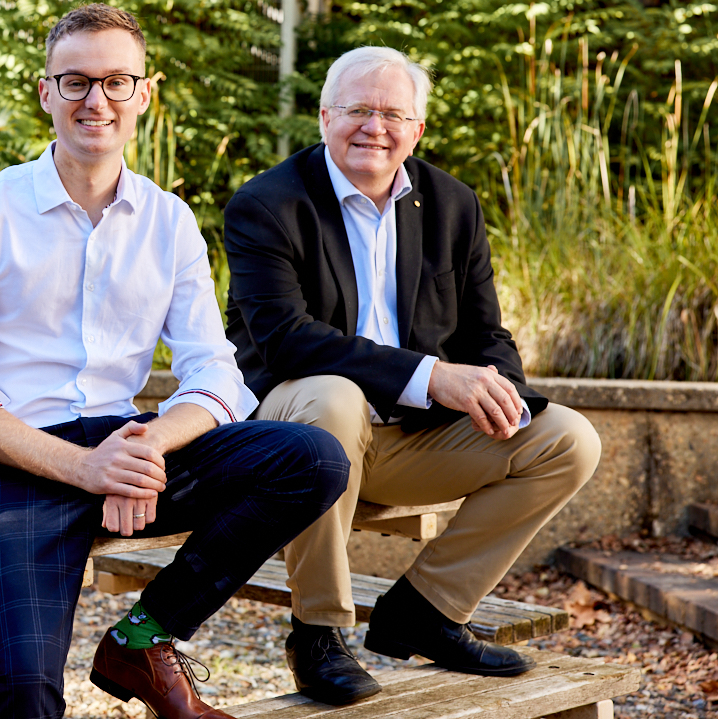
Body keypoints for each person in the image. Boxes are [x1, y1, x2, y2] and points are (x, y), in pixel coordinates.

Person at [0, 3, 351, 719]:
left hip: (126, 443)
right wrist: (87, 469)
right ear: (46, 92)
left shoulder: (169, 220)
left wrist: (144, 447)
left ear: (143, 94)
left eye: (117, 81)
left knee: (312, 458)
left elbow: (215, 372)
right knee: (27, 696)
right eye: (76, 82)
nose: (97, 100)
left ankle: (143, 639)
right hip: (18, 462)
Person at [222, 45, 602, 706]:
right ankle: (317, 633)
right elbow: (285, 342)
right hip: (297, 436)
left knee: (567, 438)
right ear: (324, 117)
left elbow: (485, 334)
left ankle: (428, 610)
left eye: (393, 114)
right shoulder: (268, 204)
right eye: (358, 110)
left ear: (417, 129)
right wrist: (431, 376)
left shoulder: (452, 204)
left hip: (409, 440)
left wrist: (499, 392)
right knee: (334, 399)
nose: (375, 127)